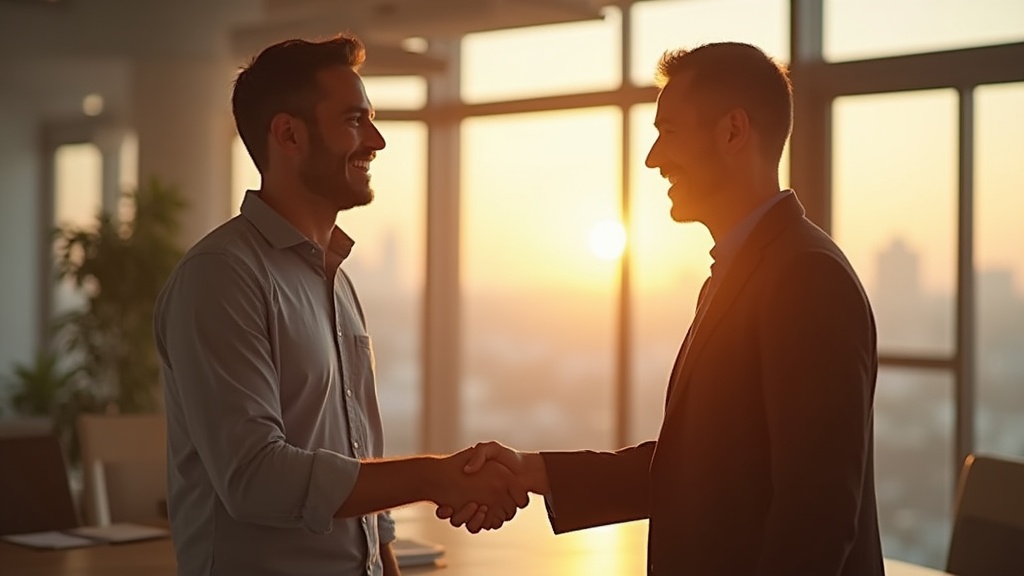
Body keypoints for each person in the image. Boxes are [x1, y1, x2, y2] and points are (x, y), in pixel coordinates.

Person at [440, 42, 884, 576]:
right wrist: (533, 471)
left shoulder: (805, 277)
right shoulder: (747, 271)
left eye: (668, 132)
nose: (653, 158)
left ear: (732, 131)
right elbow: (698, 466)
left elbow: (817, 514)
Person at [154, 35, 526, 576]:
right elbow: (255, 479)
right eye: (354, 120)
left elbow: (356, 455)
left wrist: (385, 558)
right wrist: (432, 477)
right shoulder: (221, 277)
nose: (376, 140)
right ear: (289, 134)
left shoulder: (336, 280)